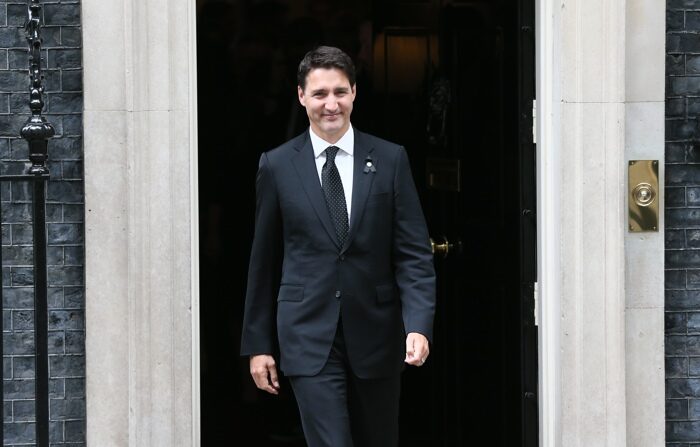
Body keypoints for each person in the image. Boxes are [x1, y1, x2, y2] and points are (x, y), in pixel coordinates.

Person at [240, 45, 436, 447]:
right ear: (301, 96)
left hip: (377, 333)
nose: (331, 104)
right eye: (320, 94)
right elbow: (263, 261)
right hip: (307, 333)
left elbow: (413, 253)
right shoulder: (276, 165)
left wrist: (418, 324)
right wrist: (258, 346)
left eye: (340, 92)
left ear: (354, 93)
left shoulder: (390, 159)